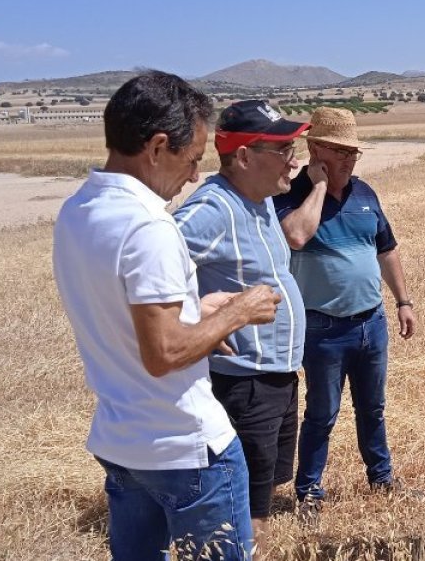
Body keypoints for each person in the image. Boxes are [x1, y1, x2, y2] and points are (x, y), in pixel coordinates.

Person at [52, 71, 281, 560]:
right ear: (157, 147)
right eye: (192, 159)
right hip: (185, 447)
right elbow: (163, 353)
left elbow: (123, 316)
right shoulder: (149, 227)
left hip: (122, 444)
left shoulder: (78, 210)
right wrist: (238, 311)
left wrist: (201, 311)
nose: (195, 176)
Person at [175, 99, 310, 547]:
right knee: (244, 508)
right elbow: (148, 258)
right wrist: (194, 315)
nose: (295, 162)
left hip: (277, 376)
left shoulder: (262, 200)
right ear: (244, 156)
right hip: (245, 383)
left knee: (264, 493)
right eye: (284, 150)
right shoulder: (214, 207)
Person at [274, 107, 419, 517]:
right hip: (322, 327)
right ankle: (309, 492)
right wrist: (317, 187)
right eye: (339, 151)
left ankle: (382, 478)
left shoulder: (366, 195)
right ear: (314, 149)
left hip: (370, 323)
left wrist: (403, 302)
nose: (349, 160)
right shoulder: (288, 195)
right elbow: (295, 237)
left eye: (353, 152)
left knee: (373, 407)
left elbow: (386, 249)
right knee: (322, 412)